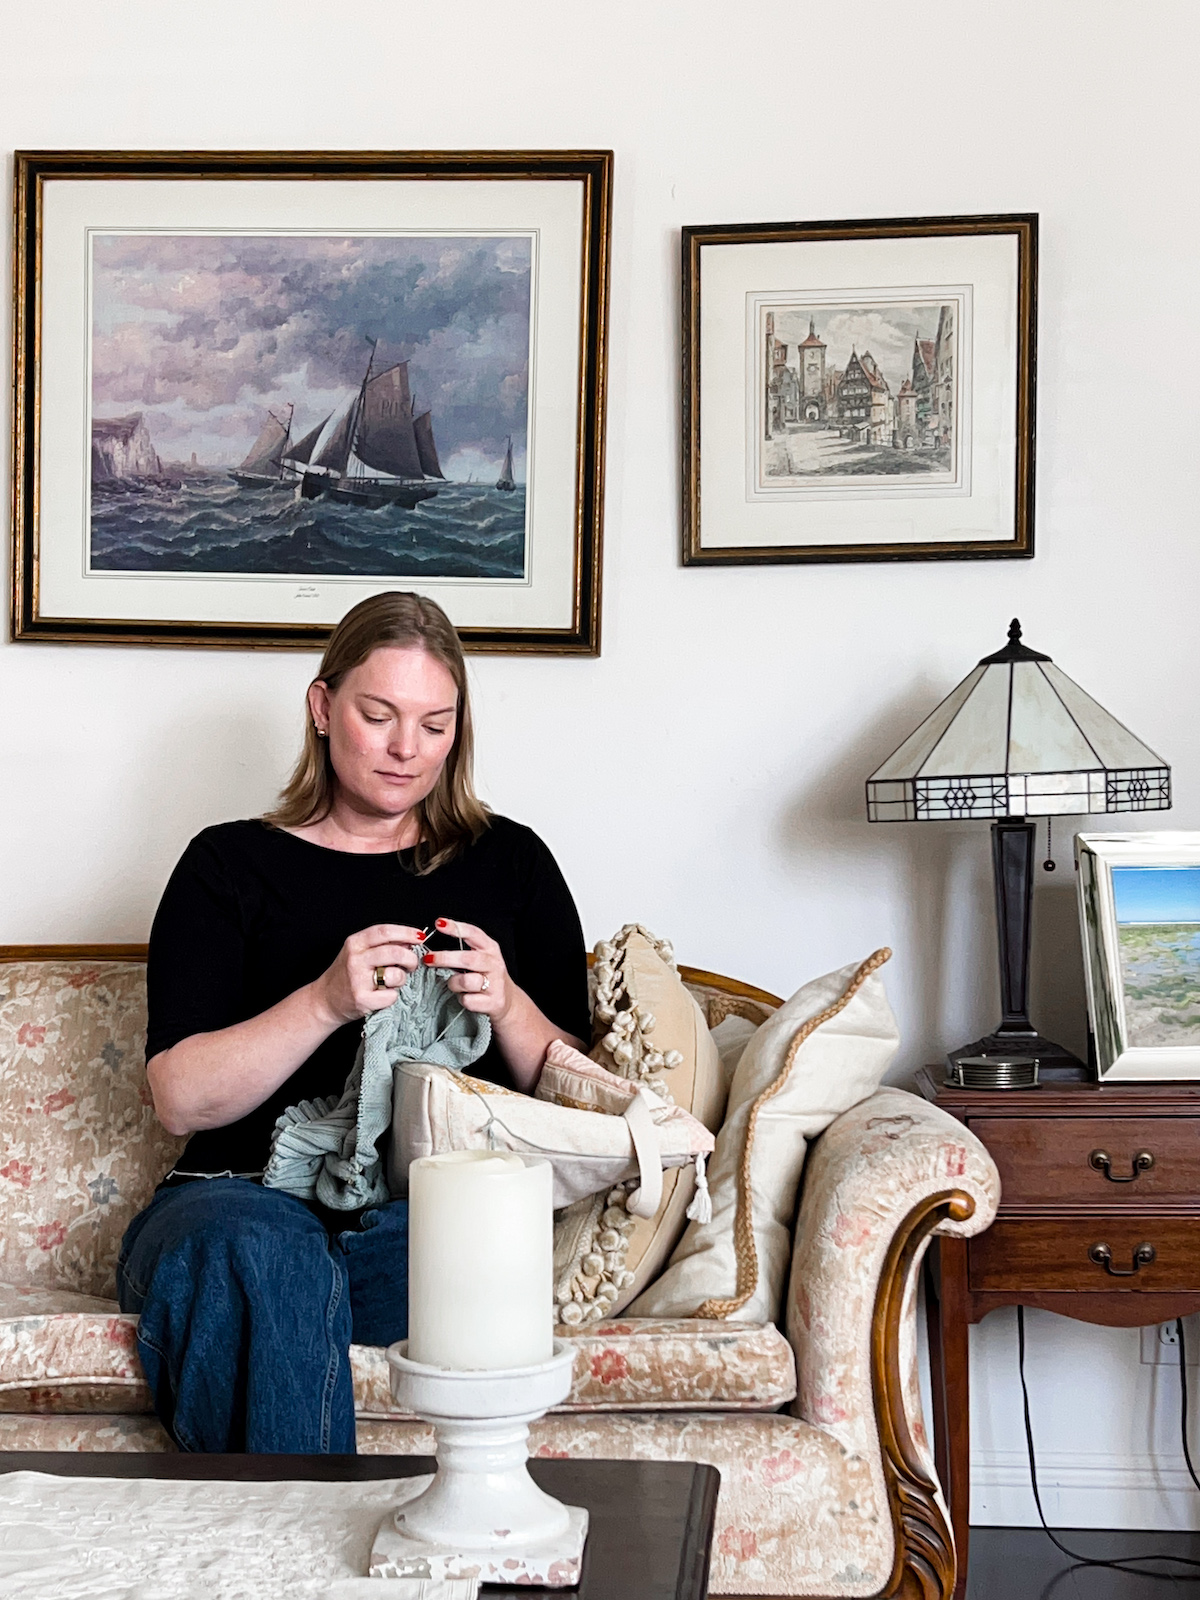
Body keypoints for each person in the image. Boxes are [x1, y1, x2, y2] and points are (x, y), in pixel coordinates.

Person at [117, 592, 589, 1453]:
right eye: (380, 716)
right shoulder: (228, 864)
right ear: (322, 709)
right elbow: (180, 1101)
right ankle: (305, 1568)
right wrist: (324, 1001)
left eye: (436, 725)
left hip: (422, 1215)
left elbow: (578, 1104)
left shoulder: (510, 862)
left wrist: (510, 1004)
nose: (408, 749)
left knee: (440, 1249)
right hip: (231, 1201)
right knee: (261, 1253)